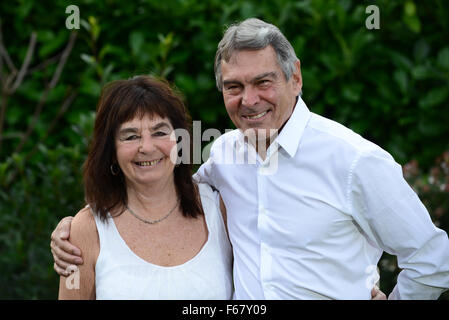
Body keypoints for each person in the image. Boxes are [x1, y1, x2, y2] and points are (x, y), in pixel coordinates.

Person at [49, 18, 421, 300]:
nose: (250, 100)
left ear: (296, 78)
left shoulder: (354, 160)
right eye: (234, 87)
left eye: (264, 82)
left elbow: (431, 258)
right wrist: (77, 223)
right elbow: (157, 187)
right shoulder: (222, 162)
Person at [57, 75, 233, 299]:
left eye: (160, 132)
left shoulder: (220, 209)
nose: (147, 147)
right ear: (111, 151)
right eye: (130, 136)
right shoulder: (85, 230)